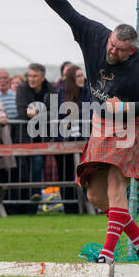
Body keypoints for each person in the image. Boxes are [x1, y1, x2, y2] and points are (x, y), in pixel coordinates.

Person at [9, 0, 139, 264]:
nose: (112, 51)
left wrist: (126, 106)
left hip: (128, 125)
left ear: (131, 50)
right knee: (95, 196)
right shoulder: (95, 35)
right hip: (101, 125)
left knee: (115, 184)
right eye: (111, 45)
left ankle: (107, 255)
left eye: (119, 50)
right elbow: (65, 9)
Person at [16, 62, 57, 210]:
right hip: (24, 137)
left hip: (42, 136)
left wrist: (37, 114)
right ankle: (21, 207)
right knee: (22, 170)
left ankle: (34, 199)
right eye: (30, 76)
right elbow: (22, 111)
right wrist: (41, 114)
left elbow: (54, 112)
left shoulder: (51, 89)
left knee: (38, 163)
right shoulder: (22, 88)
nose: (31, 79)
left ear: (42, 77)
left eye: (35, 76)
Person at [57, 64, 92, 213]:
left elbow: (90, 112)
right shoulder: (61, 93)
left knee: (85, 175)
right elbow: (62, 114)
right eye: (78, 76)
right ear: (71, 79)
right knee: (65, 175)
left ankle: (87, 206)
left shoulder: (87, 91)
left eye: (81, 75)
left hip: (84, 139)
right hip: (65, 141)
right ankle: (69, 207)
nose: (82, 78)